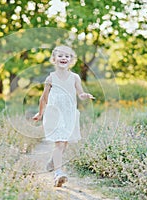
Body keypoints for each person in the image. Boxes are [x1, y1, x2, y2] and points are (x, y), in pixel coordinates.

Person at [32, 45, 95, 187]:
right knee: (59, 143)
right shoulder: (51, 78)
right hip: (54, 114)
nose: (64, 58)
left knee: (64, 143)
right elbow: (43, 98)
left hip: (69, 114)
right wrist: (40, 113)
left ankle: (53, 162)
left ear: (71, 60)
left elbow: (80, 93)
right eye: (60, 56)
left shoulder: (75, 77)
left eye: (67, 56)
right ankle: (58, 173)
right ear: (54, 59)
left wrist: (84, 95)